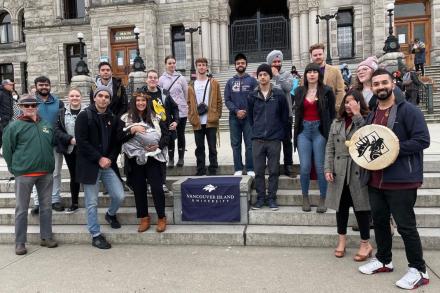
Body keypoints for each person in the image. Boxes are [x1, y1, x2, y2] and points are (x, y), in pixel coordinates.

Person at [358, 69, 430, 290]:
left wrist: (393, 148)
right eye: (376, 84)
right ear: (372, 87)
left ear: (393, 84)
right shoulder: (372, 114)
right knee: (379, 222)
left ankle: (419, 270)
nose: (381, 87)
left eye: (384, 83)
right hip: (376, 180)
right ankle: (384, 260)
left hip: (401, 181)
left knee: (406, 227)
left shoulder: (409, 111)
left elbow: (422, 140)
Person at [2, 94, 58, 255]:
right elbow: (7, 150)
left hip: (46, 173)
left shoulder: (45, 124)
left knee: (46, 207)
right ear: (20, 107)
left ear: (37, 106)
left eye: (33, 105)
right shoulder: (14, 127)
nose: (30, 108)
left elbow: (51, 143)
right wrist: (14, 168)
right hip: (24, 173)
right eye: (27, 106)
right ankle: (20, 242)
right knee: (21, 209)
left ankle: (46, 237)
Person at [324, 90, 372, 261]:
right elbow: (330, 147)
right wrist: (328, 169)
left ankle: (365, 243)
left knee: (361, 209)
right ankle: (341, 241)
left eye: (352, 102)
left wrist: (358, 115)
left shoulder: (366, 120)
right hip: (339, 170)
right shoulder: (336, 123)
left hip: (358, 169)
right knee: (341, 207)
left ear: (359, 103)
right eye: (346, 102)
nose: (348, 105)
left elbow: (368, 138)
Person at [75, 86, 125, 249]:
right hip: (90, 165)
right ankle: (95, 234)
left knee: (119, 196)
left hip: (107, 165)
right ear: (94, 98)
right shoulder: (84, 116)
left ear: (110, 100)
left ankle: (110, 215)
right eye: (100, 96)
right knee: (92, 202)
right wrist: (99, 158)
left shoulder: (113, 117)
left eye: (107, 97)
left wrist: (109, 159)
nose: (103, 99)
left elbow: (116, 142)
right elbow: (81, 142)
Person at [120, 91, 170, 233]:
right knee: (139, 189)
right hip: (135, 159)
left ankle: (161, 217)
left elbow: (167, 135)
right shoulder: (125, 118)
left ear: (147, 103)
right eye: (138, 101)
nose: (141, 103)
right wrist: (132, 130)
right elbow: (118, 136)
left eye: (143, 101)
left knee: (156, 187)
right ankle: (144, 218)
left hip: (153, 157)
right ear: (134, 103)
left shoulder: (156, 117)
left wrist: (158, 145)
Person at [293, 63, 336, 213]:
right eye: (309, 72)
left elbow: (332, 115)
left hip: (319, 131)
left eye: (314, 72)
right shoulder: (299, 91)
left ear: (319, 74)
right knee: (304, 167)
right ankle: (305, 197)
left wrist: (330, 134)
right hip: (304, 132)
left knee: (319, 167)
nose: (312, 74)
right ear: (305, 75)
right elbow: (297, 113)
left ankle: (323, 198)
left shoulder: (327, 91)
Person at [248, 64, 289, 211]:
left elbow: (284, 116)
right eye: (260, 75)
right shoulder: (252, 96)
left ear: (270, 77)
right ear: (257, 77)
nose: (263, 77)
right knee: (258, 171)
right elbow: (251, 118)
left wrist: (278, 133)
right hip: (257, 139)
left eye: (265, 74)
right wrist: (257, 130)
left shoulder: (278, 95)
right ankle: (260, 198)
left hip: (274, 140)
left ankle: (272, 198)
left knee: (273, 171)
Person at [140, 69, 179, 193]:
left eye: (155, 77)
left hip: (164, 131)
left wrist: (176, 121)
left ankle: (161, 183)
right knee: (148, 157)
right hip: (147, 131)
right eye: (150, 77)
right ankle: (148, 183)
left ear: (158, 80)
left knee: (162, 156)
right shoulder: (141, 94)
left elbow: (175, 108)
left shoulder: (164, 93)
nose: (152, 79)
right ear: (146, 79)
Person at [31, 76, 65, 214]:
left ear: (50, 86)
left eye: (46, 85)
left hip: (55, 143)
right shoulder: (31, 102)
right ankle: (38, 202)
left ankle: (55, 200)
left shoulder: (58, 103)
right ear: (36, 86)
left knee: (55, 173)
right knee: (36, 173)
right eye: (41, 85)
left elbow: (62, 123)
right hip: (36, 144)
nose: (44, 87)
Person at [187, 57, 222, 176]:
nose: (201, 67)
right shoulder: (191, 84)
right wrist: (191, 116)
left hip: (210, 120)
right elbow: (188, 103)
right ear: (196, 67)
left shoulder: (214, 83)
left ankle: (213, 168)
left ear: (207, 67)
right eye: (199, 65)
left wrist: (217, 115)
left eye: (203, 65)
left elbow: (219, 101)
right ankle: (200, 169)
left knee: (212, 147)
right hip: (197, 122)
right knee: (199, 147)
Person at [224, 53, 258, 176]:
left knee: (249, 143)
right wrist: (236, 111)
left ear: (246, 65)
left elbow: (255, 98)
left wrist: (246, 111)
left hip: (249, 117)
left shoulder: (252, 81)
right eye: (238, 63)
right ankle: (238, 168)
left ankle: (250, 168)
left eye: (242, 63)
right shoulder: (230, 82)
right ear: (235, 65)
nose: (240, 65)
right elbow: (227, 99)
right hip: (234, 117)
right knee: (235, 144)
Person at [54, 88, 86, 213]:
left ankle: (90, 201)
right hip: (70, 149)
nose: (75, 98)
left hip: (85, 149)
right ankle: (75, 202)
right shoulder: (61, 112)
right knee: (74, 176)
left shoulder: (87, 111)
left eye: (77, 95)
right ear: (68, 98)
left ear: (81, 97)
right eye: (72, 95)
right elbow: (57, 130)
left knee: (86, 174)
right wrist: (69, 139)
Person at [266, 50, 294, 177]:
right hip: (271, 116)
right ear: (270, 63)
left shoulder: (287, 74)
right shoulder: (265, 75)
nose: (277, 64)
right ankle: (274, 167)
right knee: (273, 143)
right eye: (274, 62)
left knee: (287, 141)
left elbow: (288, 88)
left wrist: (277, 76)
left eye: (279, 61)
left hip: (286, 114)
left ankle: (288, 166)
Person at [159, 55, 188, 167]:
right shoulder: (161, 79)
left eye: (173, 63)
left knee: (181, 134)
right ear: (165, 65)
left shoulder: (181, 78)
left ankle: (181, 158)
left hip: (181, 111)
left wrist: (182, 105)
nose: (172, 65)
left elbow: (185, 94)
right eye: (169, 63)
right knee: (170, 135)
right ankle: (170, 158)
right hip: (168, 112)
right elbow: (161, 94)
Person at [309, 43, 345, 110]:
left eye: (320, 54)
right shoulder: (307, 73)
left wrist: (336, 108)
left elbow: (340, 91)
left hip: (330, 111)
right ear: (311, 56)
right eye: (315, 55)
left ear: (324, 55)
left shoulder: (335, 71)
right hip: (313, 112)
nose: (318, 57)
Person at [0, 79, 15, 149]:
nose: (12, 86)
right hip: (2, 119)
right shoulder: (1, 93)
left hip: (8, 118)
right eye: (10, 85)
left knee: (7, 135)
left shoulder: (9, 93)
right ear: (5, 85)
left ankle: (7, 150)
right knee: (4, 135)